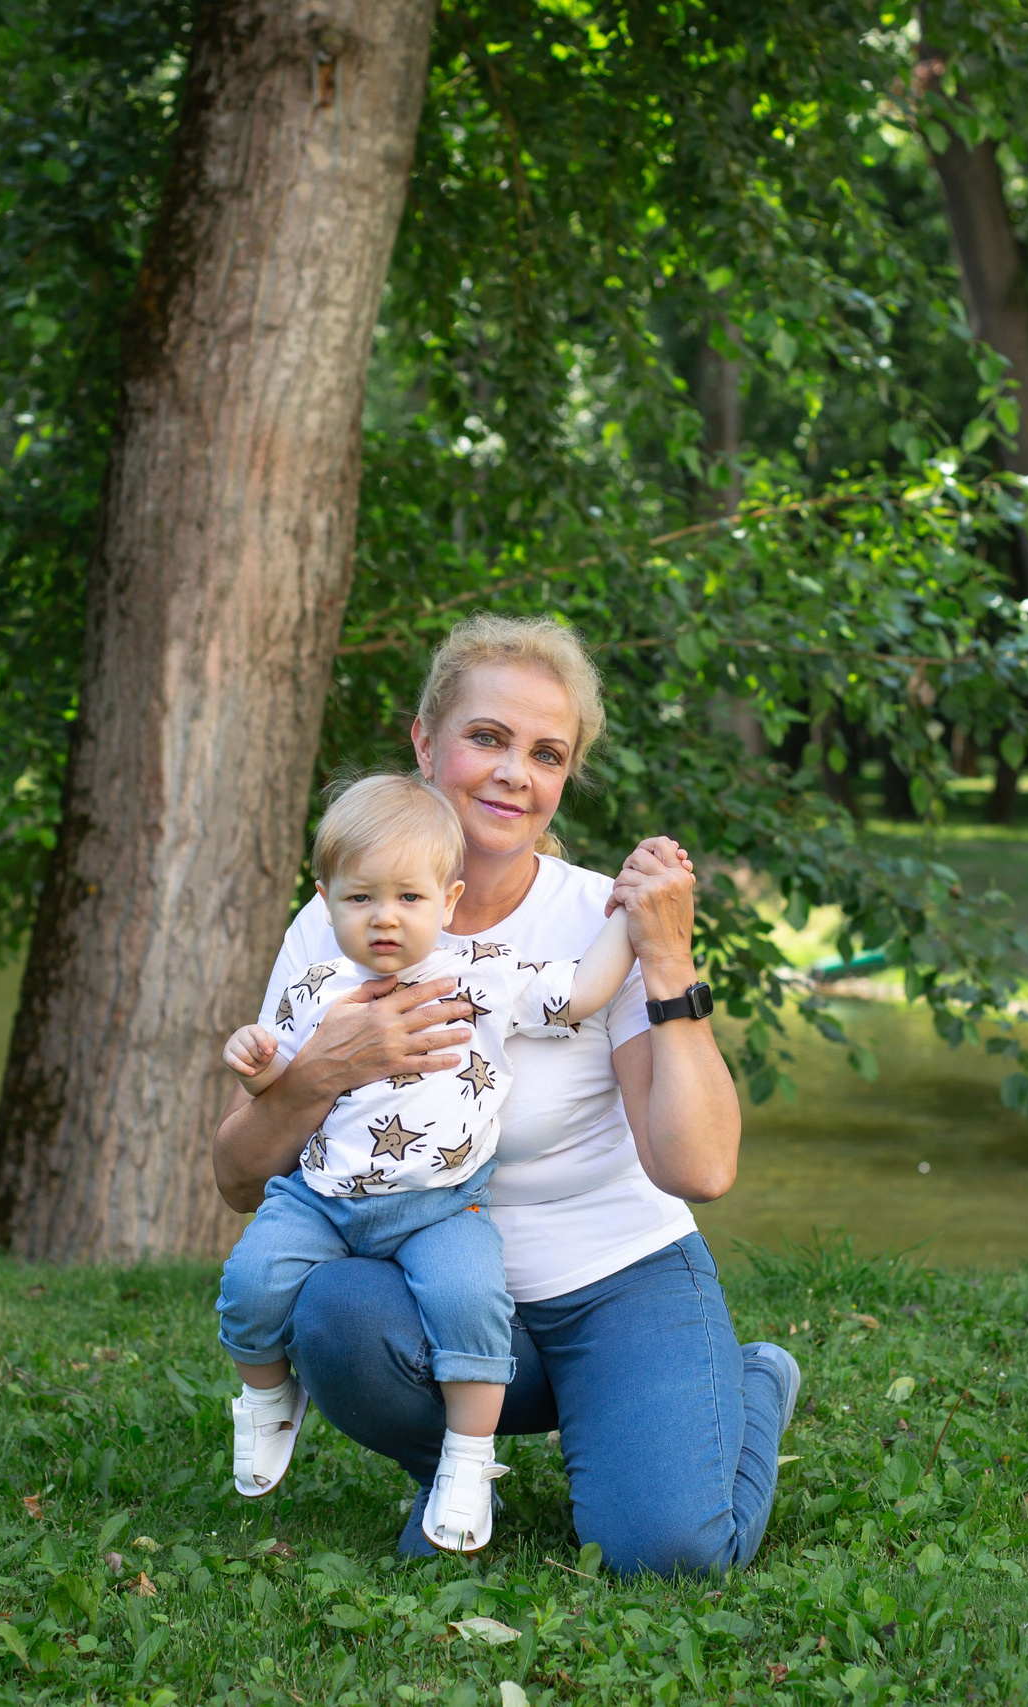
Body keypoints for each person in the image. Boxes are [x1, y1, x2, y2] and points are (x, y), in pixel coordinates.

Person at [213, 613, 801, 1575]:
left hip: (617, 1279)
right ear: (424, 740)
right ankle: (456, 1469)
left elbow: (699, 1167)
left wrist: (667, 957)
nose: (513, 773)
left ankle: (741, 1383)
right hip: (437, 1287)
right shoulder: (336, 921)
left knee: (665, 1552)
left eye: (546, 752)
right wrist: (326, 1069)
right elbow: (239, 1177)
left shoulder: (594, 919)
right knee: (329, 1311)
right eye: (486, 737)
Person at [214, 772, 641, 1552]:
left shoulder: (476, 973)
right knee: (248, 1286)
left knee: (469, 1305)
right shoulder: (316, 983)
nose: (384, 918)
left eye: (409, 899)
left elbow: (580, 992)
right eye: (360, 899)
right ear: (325, 898)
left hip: (442, 1203)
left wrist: (631, 918)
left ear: (446, 901)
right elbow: (276, 1081)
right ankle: (269, 1399)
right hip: (319, 1199)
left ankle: (468, 1462)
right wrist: (255, 1063)